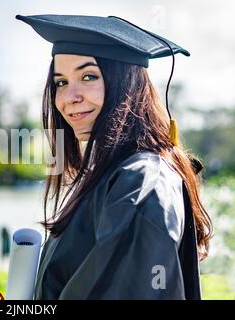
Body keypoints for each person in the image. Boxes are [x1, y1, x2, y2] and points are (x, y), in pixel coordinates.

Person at [16, 14, 212, 299]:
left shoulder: (142, 182)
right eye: (60, 82)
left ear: (126, 84)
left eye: (88, 76)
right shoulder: (109, 175)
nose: (69, 97)